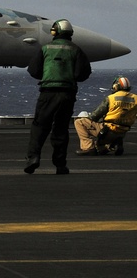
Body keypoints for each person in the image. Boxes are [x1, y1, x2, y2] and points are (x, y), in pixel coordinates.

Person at [24, 19, 92, 175]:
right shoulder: (76, 50)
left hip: (47, 94)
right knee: (61, 129)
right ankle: (60, 165)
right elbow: (82, 73)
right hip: (67, 95)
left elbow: (33, 70)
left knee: (39, 127)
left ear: (54, 32)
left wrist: (48, 76)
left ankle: (33, 159)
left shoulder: (45, 49)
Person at [74, 76, 135, 156]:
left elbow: (95, 116)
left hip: (108, 130)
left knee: (79, 122)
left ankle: (88, 147)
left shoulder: (111, 98)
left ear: (115, 86)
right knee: (100, 148)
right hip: (123, 132)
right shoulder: (135, 99)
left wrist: (92, 117)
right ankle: (110, 146)